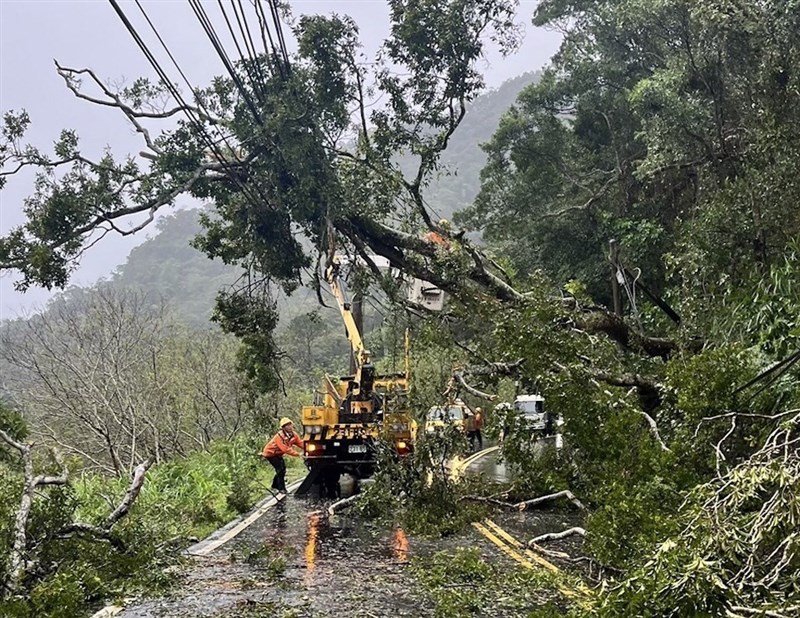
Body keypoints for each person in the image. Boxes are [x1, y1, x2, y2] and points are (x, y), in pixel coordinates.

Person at [261, 417, 304, 495]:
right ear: (283, 428)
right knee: (280, 469)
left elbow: (300, 443)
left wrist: (309, 448)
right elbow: (285, 449)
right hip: (270, 454)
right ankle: (282, 489)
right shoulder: (279, 436)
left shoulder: (294, 435)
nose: (289, 427)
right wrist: (298, 454)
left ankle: (275, 486)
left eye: (290, 425)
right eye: (287, 426)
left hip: (278, 454)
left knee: (282, 469)